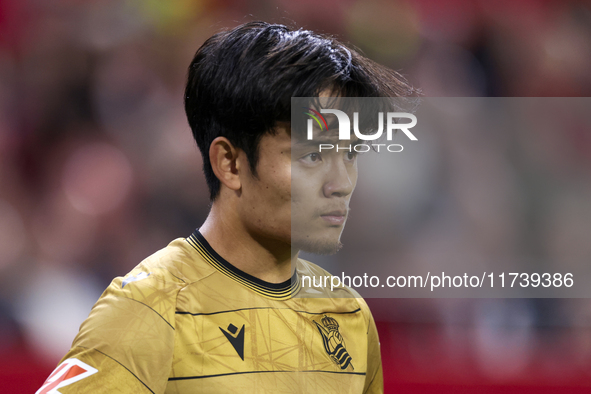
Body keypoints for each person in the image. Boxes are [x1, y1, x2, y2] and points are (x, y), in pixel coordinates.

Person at [36, 21, 415, 393]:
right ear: (230, 163)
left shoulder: (348, 314)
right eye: (313, 156)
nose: (342, 183)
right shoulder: (149, 309)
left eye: (350, 154)